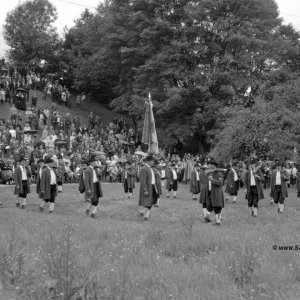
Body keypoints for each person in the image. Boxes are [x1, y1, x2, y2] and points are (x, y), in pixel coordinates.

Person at [204, 159, 225, 226]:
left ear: (213, 165)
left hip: (216, 193)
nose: (208, 166)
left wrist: (212, 180)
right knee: (209, 205)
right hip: (210, 192)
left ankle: (218, 222)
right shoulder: (211, 172)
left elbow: (220, 183)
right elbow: (205, 172)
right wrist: (213, 170)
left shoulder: (219, 174)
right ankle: (209, 217)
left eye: (210, 164)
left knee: (217, 207)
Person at [138, 155, 157, 221]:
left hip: (152, 186)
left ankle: (146, 215)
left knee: (152, 202)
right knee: (149, 202)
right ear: (148, 161)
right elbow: (143, 181)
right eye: (152, 161)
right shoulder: (144, 169)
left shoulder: (150, 168)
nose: (153, 162)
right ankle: (143, 212)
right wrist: (145, 189)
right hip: (148, 187)